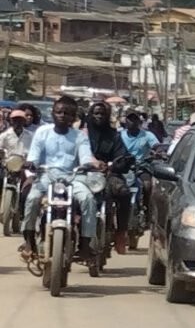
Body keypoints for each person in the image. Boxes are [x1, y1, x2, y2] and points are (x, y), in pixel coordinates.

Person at [22, 96, 100, 265]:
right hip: (46, 176)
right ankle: (28, 241)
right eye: (59, 112)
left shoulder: (79, 136)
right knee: (32, 199)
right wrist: (31, 163)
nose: (62, 115)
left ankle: (85, 244)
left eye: (67, 113)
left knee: (88, 199)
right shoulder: (42, 132)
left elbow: (85, 156)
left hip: (73, 178)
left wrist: (88, 165)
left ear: (74, 117)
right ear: (52, 113)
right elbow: (33, 156)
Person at [87, 102, 134, 254]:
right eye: (96, 113)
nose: (99, 116)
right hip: (84, 174)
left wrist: (118, 163)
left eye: (102, 114)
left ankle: (120, 233)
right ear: (90, 115)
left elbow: (122, 155)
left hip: (109, 175)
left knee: (124, 192)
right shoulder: (81, 134)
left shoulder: (114, 135)